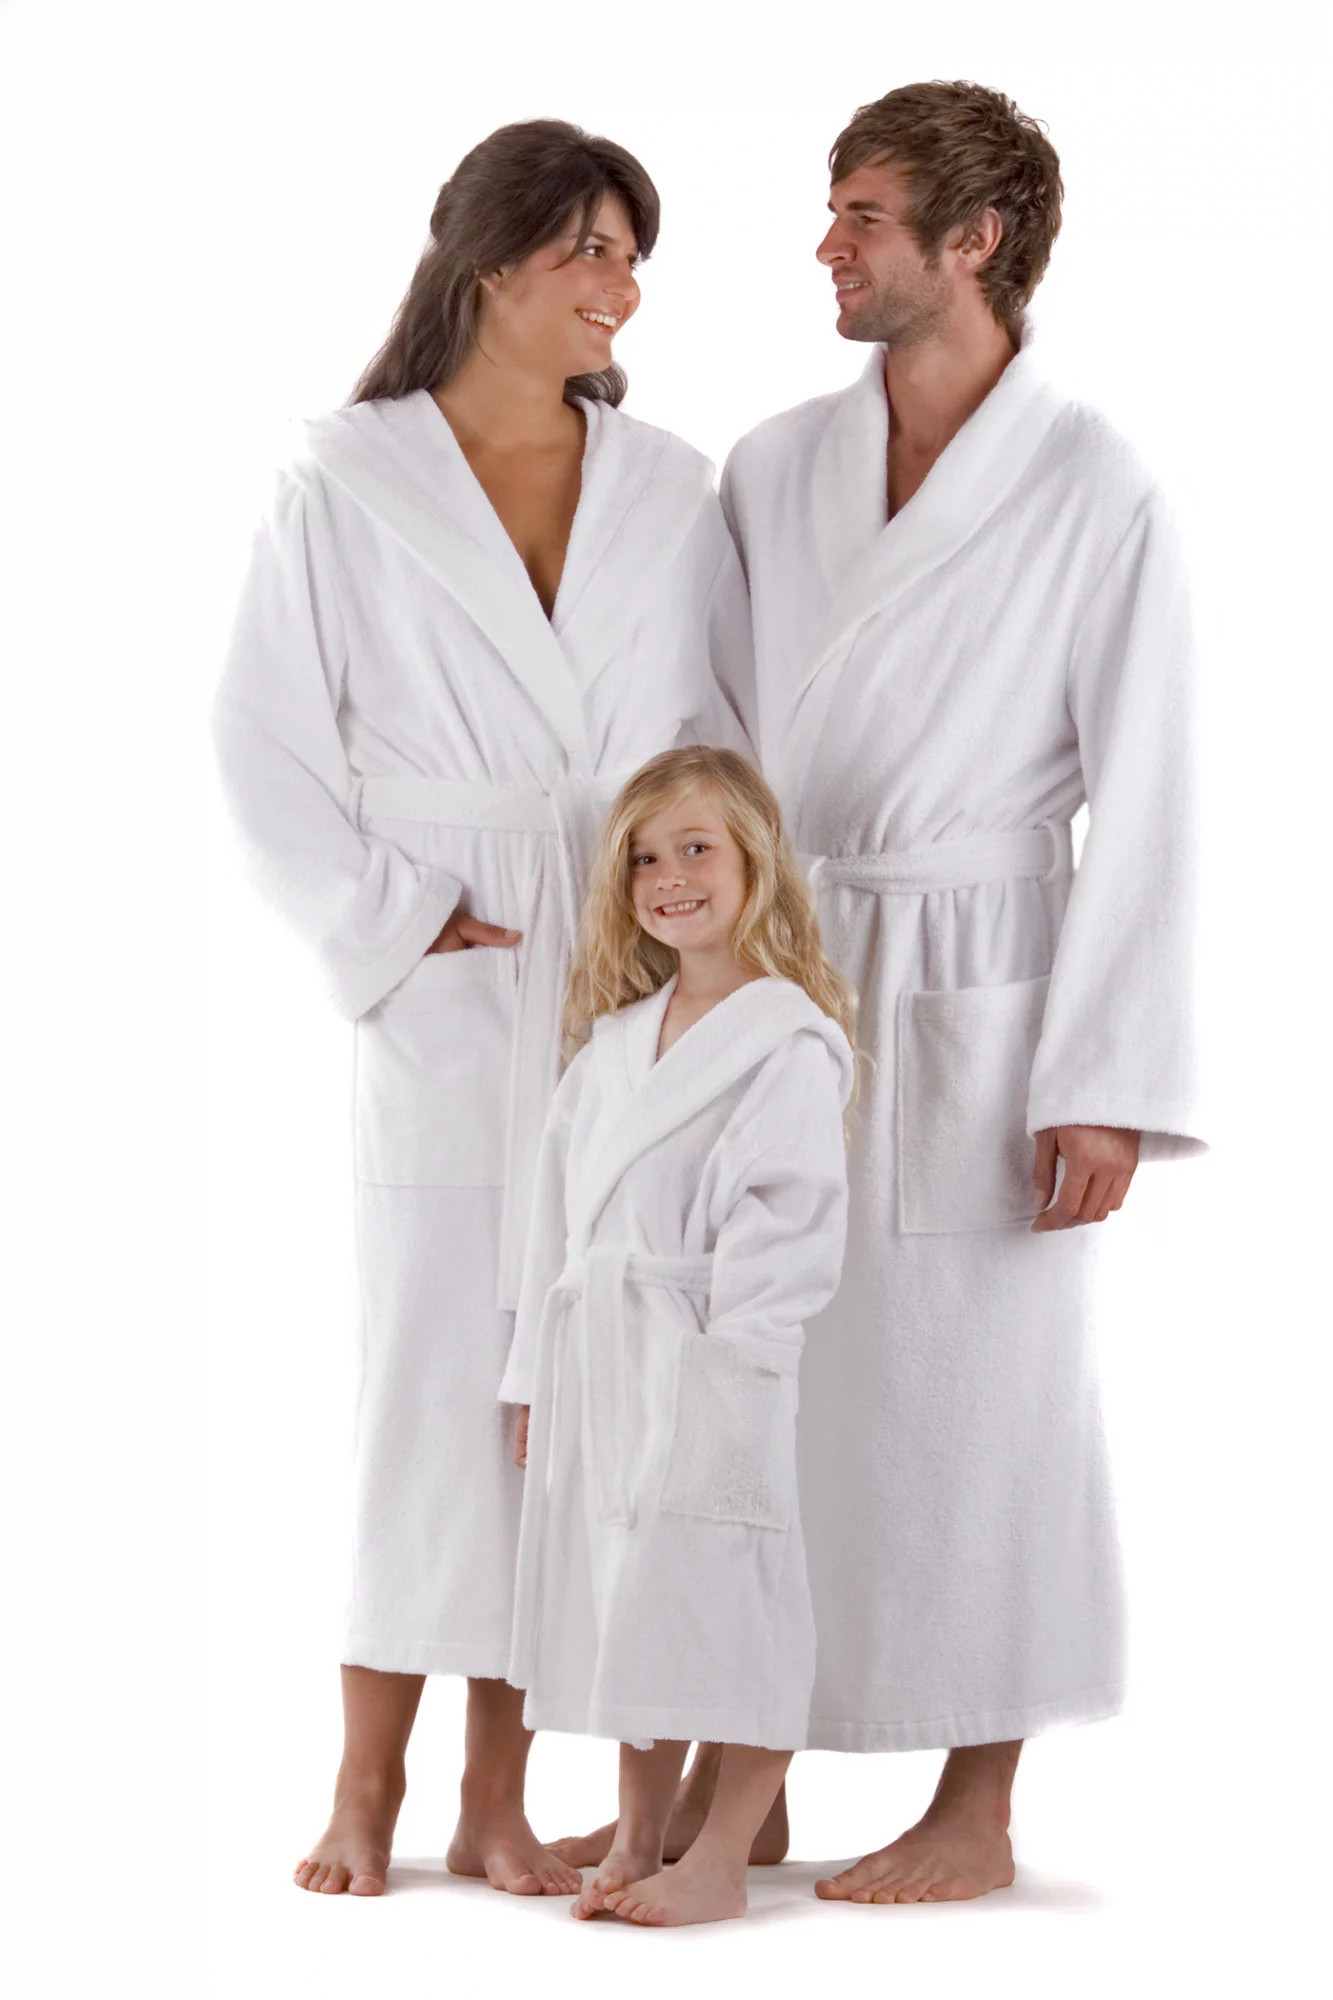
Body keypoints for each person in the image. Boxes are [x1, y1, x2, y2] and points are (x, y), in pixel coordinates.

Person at [212, 120, 750, 1900]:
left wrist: (693, 932)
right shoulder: (347, 479)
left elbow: (711, 730)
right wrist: (396, 916)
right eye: (590, 249)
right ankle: (364, 1783)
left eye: (631, 257)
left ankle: (493, 1800)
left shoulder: (667, 487)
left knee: (567, 1391)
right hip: (448, 969)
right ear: (491, 260)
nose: (620, 288)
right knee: (428, 1386)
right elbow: (262, 738)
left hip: (615, 965)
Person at [716, 82, 1206, 1902]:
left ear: (972, 239)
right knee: (755, 1376)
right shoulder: (774, 466)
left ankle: (975, 1806)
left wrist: (1105, 1078)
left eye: (860, 215)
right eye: (832, 210)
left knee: (977, 1398)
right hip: (788, 962)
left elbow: (1150, 788)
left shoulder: (1090, 485)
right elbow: (710, 732)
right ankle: (744, 1769)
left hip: (977, 982)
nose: (826, 247)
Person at [498, 746, 855, 1926]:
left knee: (739, 1591)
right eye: (644, 858)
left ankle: (722, 1855)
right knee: (628, 1596)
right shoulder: (613, 1043)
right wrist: (532, 1377)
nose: (669, 877)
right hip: (604, 1359)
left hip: (713, 1354)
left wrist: (732, 1370)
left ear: (756, 858)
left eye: (696, 847)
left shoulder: (784, 1040)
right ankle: (639, 1836)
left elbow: (787, 1216)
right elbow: (553, 1223)